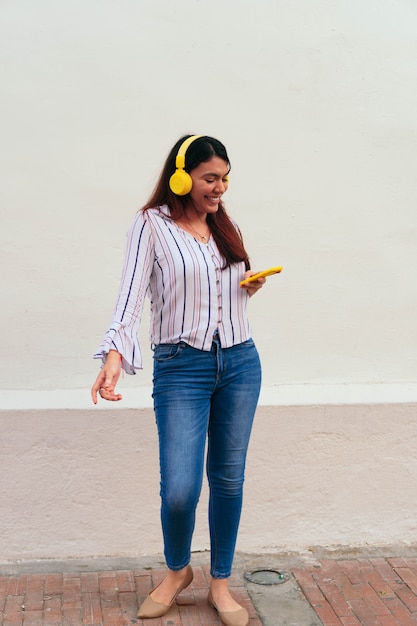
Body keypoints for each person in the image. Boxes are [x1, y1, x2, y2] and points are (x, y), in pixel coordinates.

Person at [91, 135, 267, 626]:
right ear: (182, 176)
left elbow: (220, 297)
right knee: (180, 490)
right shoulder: (151, 226)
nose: (220, 188)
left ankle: (221, 584)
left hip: (239, 362)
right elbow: (130, 298)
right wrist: (112, 356)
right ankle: (177, 572)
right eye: (211, 178)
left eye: (225, 178)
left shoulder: (225, 227)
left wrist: (248, 288)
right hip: (180, 368)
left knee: (228, 480)